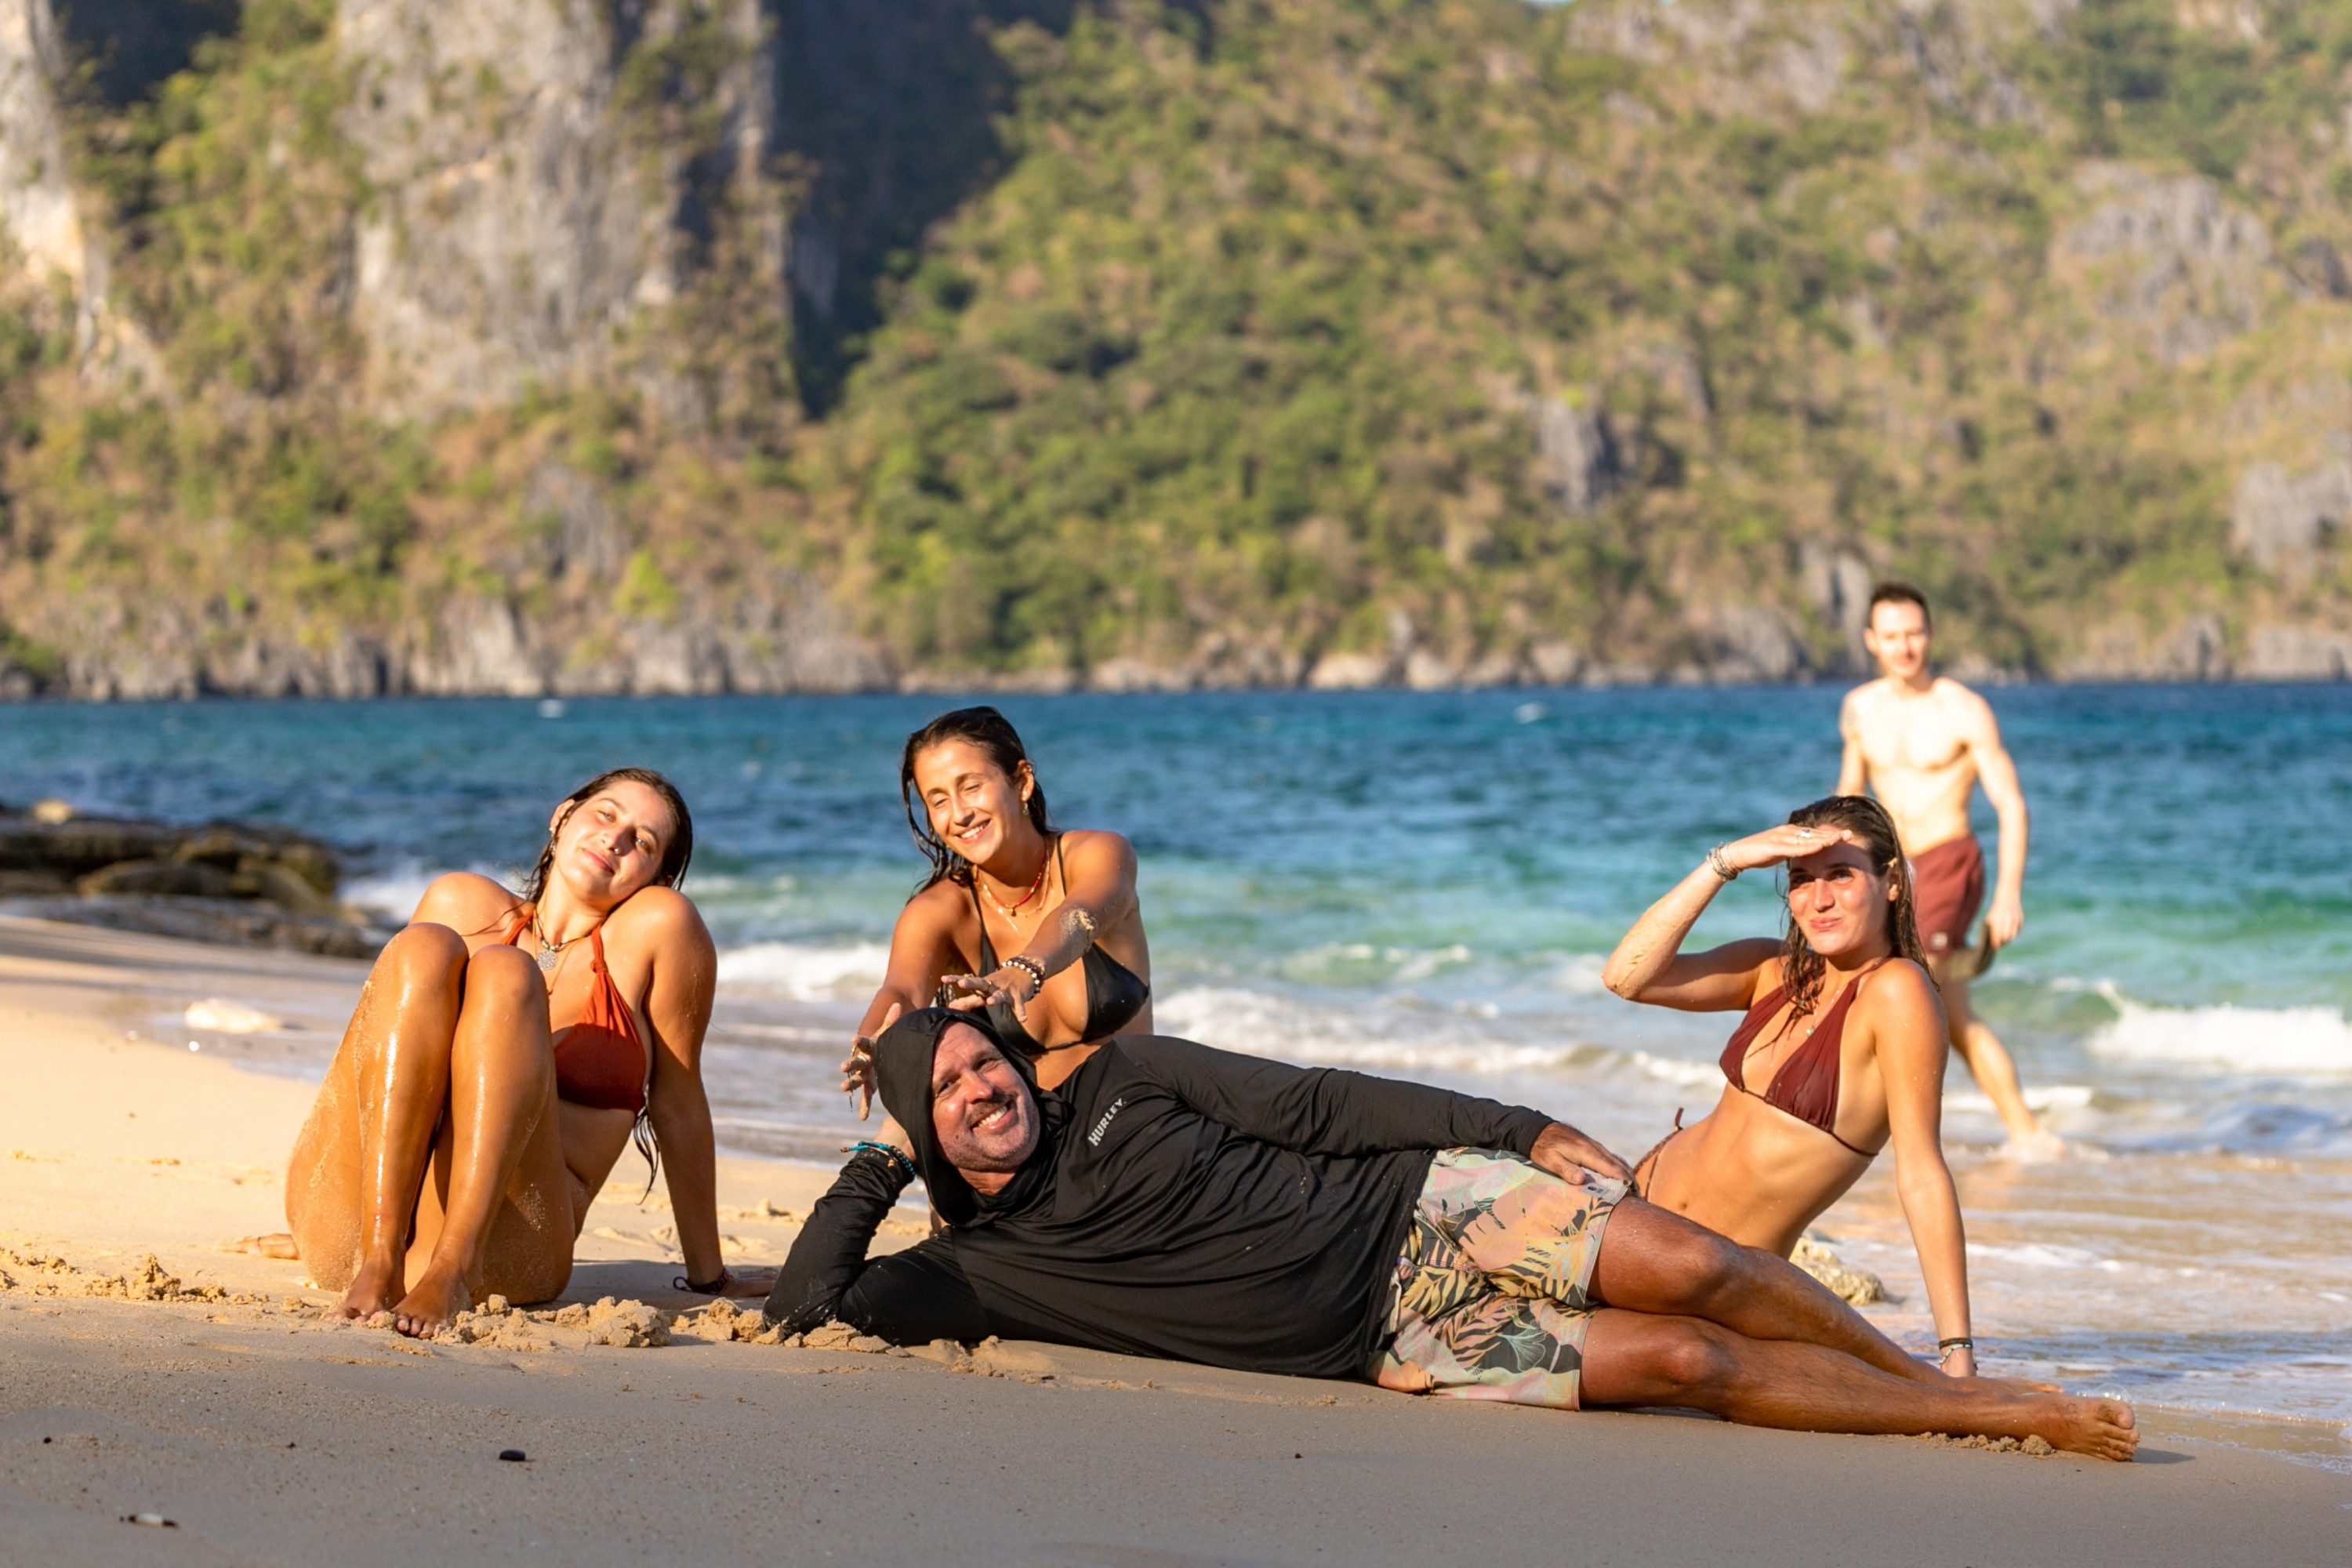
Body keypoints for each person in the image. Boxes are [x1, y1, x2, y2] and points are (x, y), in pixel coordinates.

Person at [766, 1008, 2136, 1459]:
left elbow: (1320, 1102)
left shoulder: (1127, 1077)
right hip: (1403, 1342)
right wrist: (883, 1153)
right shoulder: (968, 1270)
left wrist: (1517, 1126)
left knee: (1702, 1266)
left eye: (985, 1062)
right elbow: (806, 1308)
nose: (982, 1088)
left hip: (1429, 1202)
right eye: (947, 1091)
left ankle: (1957, 1390)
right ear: (925, 1134)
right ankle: (1962, 1414)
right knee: (1687, 1363)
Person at [282, 768, 767, 1338]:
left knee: (505, 971)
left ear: (657, 878)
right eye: (605, 814)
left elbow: (678, 1104)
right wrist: (325, 1222)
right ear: (562, 817)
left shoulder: (659, 928)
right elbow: (386, 1061)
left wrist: (710, 1277)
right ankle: (379, 1256)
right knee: (425, 945)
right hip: (352, 1231)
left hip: (513, 1244)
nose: (615, 838)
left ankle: (455, 1265)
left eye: (642, 841)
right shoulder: (462, 904)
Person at [1602, 797, 1981, 1377]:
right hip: (1624, 1214)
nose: (1818, 899)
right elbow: (1626, 976)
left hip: (1703, 1282)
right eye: (1801, 879)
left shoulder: (1896, 992)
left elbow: (1922, 1171)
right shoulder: (1774, 971)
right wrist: (1727, 861)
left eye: (1841, 875)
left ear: (1893, 883)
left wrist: (1957, 1352)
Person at [1837, 581, 2063, 1159]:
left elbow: (2011, 805)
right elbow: (1850, 794)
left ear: (1931, 633)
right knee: (1955, 1015)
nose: (1905, 646)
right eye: (1892, 636)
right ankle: (2028, 1132)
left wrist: (2008, 894)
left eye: (1914, 633)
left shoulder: (1962, 709)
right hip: (1891, 865)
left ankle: (1877, 1139)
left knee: (1903, 989)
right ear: (1872, 640)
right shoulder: (1860, 708)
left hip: (1948, 863)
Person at [840, 706, 1150, 1127]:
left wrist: (1026, 969)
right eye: (939, 801)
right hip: (1022, 1143)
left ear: (1022, 782)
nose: (959, 814)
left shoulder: (1098, 855)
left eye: (971, 787)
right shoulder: (940, 911)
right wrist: (874, 1045)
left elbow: (1081, 916)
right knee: (912, 1120)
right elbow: (903, 992)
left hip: (1136, 1128)